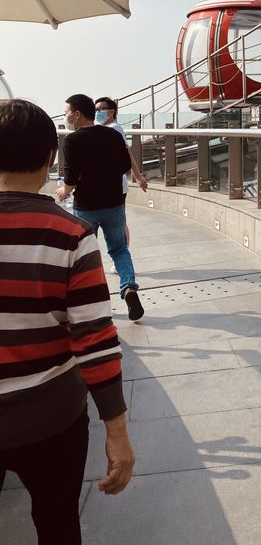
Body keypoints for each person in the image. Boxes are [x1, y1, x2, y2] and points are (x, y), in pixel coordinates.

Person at [0, 99, 135, 545]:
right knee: (58, 525)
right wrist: (116, 432)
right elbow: (94, 341)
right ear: (49, 158)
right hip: (51, 420)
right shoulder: (69, 237)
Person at [56, 93, 144, 322]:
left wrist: (63, 192)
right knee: (119, 250)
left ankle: (94, 302)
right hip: (114, 203)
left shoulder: (73, 141)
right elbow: (125, 165)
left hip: (86, 207)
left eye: (66, 112)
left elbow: (71, 179)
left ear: (77, 114)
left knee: (85, 256)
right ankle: (129, 288)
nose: (65, 116)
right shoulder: (113, 135)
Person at [94, 96, 147, 248]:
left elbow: (127, 153)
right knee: (116, 221)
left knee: (119, 222)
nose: (98, 112)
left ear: (111, 112)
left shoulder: (114, 129)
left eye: (101, 109)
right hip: (108, 184)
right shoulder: (104, 129)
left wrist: (137, 177)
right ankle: (121, 254)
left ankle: (122, 254)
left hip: (115, 185)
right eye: (96, 109)